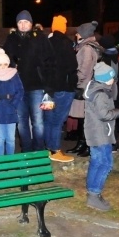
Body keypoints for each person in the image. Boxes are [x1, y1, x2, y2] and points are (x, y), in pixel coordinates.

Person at [2, 10, 49, 153]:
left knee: (38, 121)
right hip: (18, 86)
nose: (23, 25)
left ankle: (39, 150)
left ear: (31, 23)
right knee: (22, 121)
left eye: (26, 22)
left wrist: (48, 86)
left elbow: (49, 60)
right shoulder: (11, 39)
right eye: (20, 22)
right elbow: (3, 59)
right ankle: (26, 150)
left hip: (36, 85)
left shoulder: (40, 38)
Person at [83, 62, 119, 211]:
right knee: (105, 163)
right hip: (100, 134)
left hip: (97, 132)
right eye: (112, 77)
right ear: (106, 78)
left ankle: (93, 193)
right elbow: (104, 114)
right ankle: (94, 193)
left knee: (97, 161)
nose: (114, 80)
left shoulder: (97, 89)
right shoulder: (99, 93)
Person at [40, 15, 78, 162]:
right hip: (64, 88)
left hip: (48, 90)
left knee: (48, 119)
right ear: (63, 27)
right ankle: (55, 150)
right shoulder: (66, 43)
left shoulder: (46, 43)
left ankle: (48, 148)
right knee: (57, 121)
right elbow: (72, 66)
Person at [67, 21, 103, 157]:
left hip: (85, 86)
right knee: (84, 118)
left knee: (86, 118)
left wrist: (77, 81)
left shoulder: (86, 48)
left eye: (78, 32)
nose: (76, 34)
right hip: (87, 85)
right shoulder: (86, 46)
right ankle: (82, 143)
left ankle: (87, 145)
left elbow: (84, 69)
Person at [0, 50, 24, 156]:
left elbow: (20, 90)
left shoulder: (13, 74)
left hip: (10, 109)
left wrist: (14, 104)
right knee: (0, 139)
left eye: (5, 64)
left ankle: (10, 161)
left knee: (11, 139)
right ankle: (0, 162)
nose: (3, 67)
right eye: (0, 64)